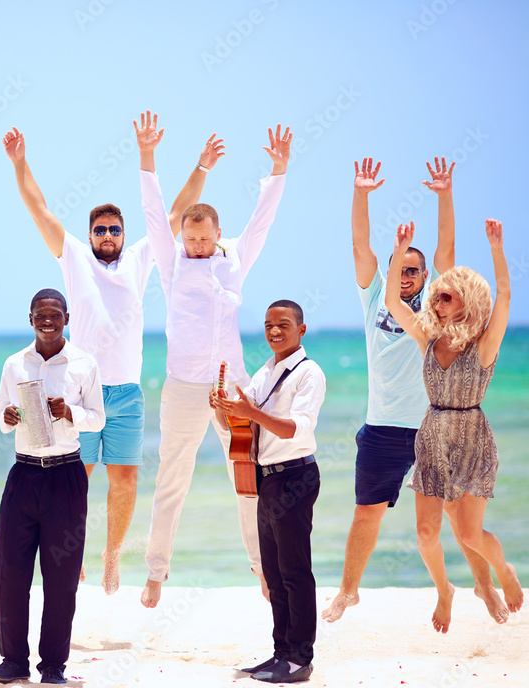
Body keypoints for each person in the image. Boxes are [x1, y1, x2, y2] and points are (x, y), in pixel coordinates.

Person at [1, 113, 223, 593]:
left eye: (113, 230)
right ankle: (73, 552)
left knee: (124, 481)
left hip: (125, 393)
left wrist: (201, 167)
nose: (106, 236)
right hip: (77, 393)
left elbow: (178, 215)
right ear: (90, 234)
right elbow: (39, 210)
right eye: (99, 230)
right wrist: (21, 164)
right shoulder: (74, 257)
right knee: (73, 480)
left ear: (123, 234)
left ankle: (111, 555)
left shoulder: (141, 258)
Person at [322, 158, 508, 624]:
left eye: (415, 271)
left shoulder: (434, 312)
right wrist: (361, 193)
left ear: (427, 279)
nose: (406, 276)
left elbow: (446, 251)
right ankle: (348, 592)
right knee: (368, 512)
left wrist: (444, 195)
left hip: (433, 428)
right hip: (383, 427)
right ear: (388, 272)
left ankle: (483, 586)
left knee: (455, 522)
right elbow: (358, 243)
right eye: (399, 269)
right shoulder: (373, 299)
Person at [140, 123, 291, 608]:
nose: (198, 246)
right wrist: (148, 158)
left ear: (218, 235)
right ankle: (156, 572)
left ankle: (263, 572)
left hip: (233, 389)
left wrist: (278, 171)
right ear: (182, 232)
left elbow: (263, 221)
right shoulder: (171, 262)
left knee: (247, 478)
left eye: (205, 240)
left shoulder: (234, 259)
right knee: (172, 479)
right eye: (191, 237)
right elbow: (150, 213)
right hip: (184, 387)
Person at [384, 219, 523, 633]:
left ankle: (504, 571)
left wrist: (497, 248)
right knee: (427, 533)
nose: (437, 302)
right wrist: (400, 251)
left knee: (468, 532)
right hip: (432, 437)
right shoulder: (428, 338)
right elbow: (393, 303)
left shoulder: (485, 344)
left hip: (471, 438)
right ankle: (445, 591)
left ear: (467, 303)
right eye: (437, 295)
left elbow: (505, 297)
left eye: (447, 297)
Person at [0, 289, 105, 685]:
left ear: (67, 318)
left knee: (61, 576)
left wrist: (69, 412)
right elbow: (2, 417)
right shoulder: (14, 363)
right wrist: (6, 414)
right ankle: (13, 661)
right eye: (41, 314)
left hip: (66, 477)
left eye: (55, 314)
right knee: (8, 570)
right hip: (23, 474)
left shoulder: (84, 364)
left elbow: (98, 419)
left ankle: (53, 666)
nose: (48, 320)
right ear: (31, 318)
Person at [210, 300, 325, 684]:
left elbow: (296, 429)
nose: (275, 331)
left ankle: (301, 658)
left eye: (284, 325)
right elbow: (246, 413)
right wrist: (225, 406)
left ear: (301, 330)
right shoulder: (269, 369)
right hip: (268, 478)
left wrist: (249, 411)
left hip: (296, 476)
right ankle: (281, 654)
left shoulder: (309, 374)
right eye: (269, 325)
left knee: (295, 571)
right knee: (274, 573)